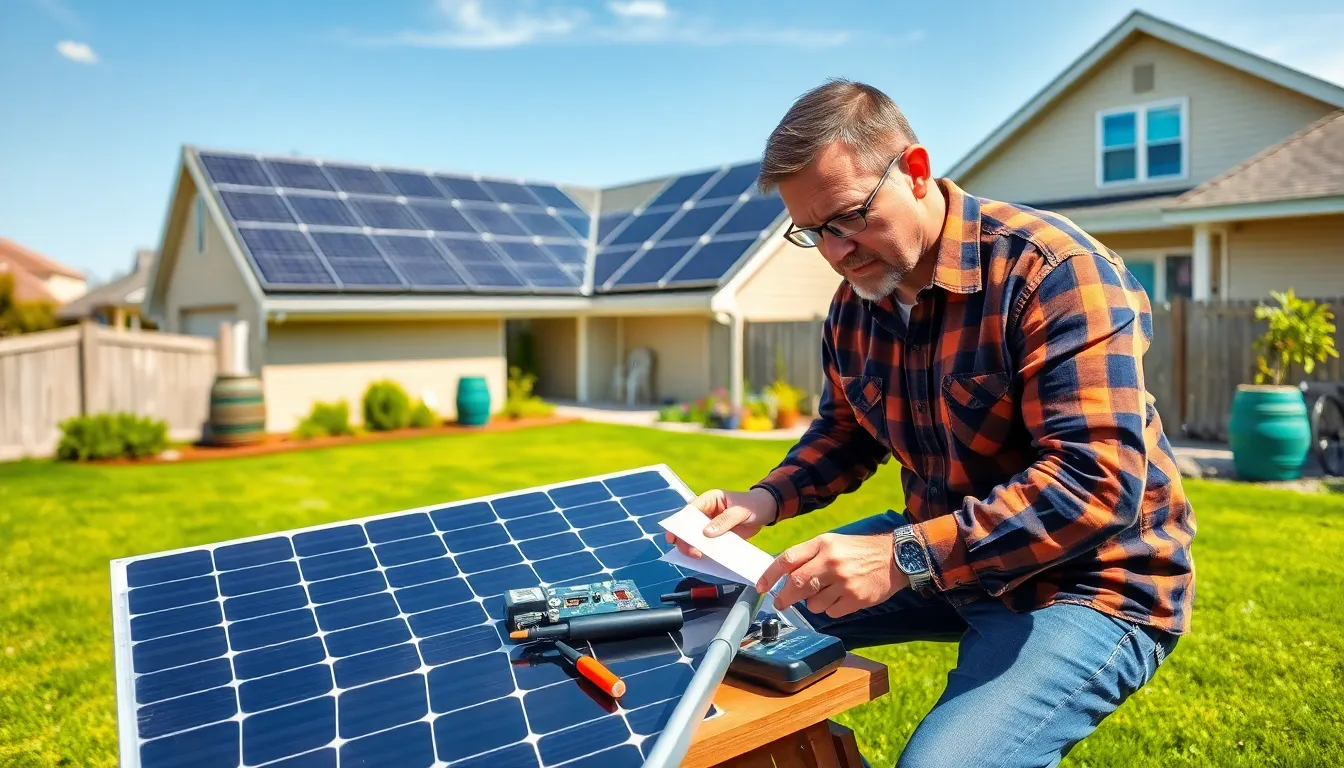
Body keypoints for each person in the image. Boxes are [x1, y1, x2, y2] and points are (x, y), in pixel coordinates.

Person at [667, 79, 1196, 767]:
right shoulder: (857, 303)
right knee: (732, 624)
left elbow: (1095, 483)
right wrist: (763, 500)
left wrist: (902, 555)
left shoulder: (1053, 272)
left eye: (849, 217)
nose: (836, 251)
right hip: (947, 557)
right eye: (813, 232)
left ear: (915, 170)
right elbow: (845, 433)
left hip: (1087, 583)